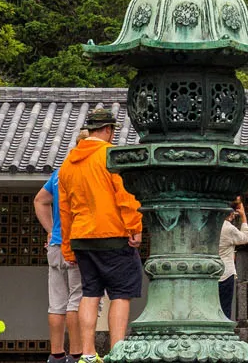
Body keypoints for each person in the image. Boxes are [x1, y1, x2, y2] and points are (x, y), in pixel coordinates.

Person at [59, 107, 143, 363]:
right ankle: (116, 352)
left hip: (81, 236)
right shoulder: (111, 156)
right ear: (108, 130)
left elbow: (64, 210)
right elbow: (125, 196)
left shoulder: (67, 164)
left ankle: (87, 353)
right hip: (112, 234)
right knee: (120, 293)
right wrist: (135, 227)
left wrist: (67, 248)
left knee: (90, 293)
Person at [35, 144, 85, 363]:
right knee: (77, 299)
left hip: (55, 244)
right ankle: (77, 354)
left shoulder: (59, 172)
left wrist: (50, 229)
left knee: (56, 303)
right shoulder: (84, 171)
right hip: (77, 243)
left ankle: (56, 355)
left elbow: (40, 200)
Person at [219, 197, 248, 321]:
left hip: (211, 273)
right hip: (226, 273)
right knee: (225, 309)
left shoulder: (213, 225)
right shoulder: (228, 228)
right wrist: (243, 217)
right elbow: (245, 238)